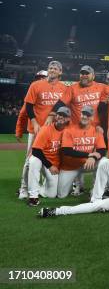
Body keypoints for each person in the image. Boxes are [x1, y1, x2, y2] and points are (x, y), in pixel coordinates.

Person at [18, 61, 67, 199]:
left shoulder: (63, 88)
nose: (52, 70)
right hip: (37, 129)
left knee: (55, 157)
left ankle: (43, 187)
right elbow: (28, 106)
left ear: (60, 72)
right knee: (30, 160)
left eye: (55, 68)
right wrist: (34, 122)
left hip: (55, 130)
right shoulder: (36, 85)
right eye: (50, 68)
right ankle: (24, 189)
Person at [57, 105, 107, 198]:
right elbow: (66, 151)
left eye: (88, 115)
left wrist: (93, 157)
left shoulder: (96, 130)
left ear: (92, 117)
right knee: (61, 194)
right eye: (83, 114)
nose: (85, 116)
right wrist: (89, 155)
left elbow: (102, 150)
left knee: (103, 162)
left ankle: (95, 189)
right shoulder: (70, 130)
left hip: (87, 164)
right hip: (71, 166)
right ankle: (77, 184)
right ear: (80, 115)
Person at [26, 107, 71, 206]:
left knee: (51, 194)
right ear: (55, 116)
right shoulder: (46, 129)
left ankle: (41, 188)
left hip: (55, 164)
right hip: (44, 161)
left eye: (64, 116)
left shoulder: (69, 131)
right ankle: (33, 196)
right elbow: (36, 150)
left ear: (68, 119)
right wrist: (50, 166)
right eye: (59, 114)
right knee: (34, 161)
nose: (61, 117)